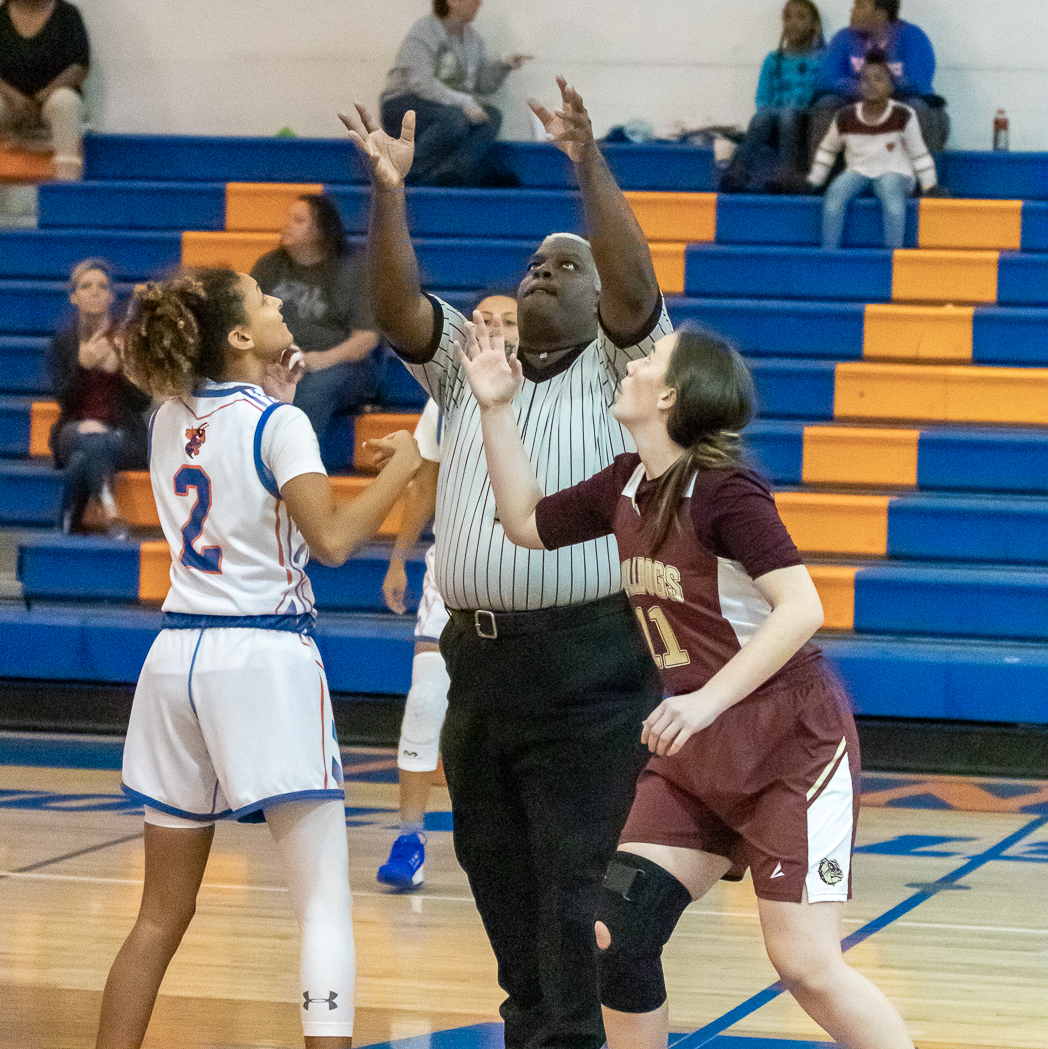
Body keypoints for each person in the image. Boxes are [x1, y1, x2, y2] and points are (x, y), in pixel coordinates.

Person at [461, 317, 916, 1049]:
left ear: (671, 396)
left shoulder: (727, 493)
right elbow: (523, 522)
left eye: (651, 361)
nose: (633, 367)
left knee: (805, 963)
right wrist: (494, 409)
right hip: (696, 754)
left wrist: (704, 698)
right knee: (615, 930)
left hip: (790, 745)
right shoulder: (626, 483)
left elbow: (802, 606)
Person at [340, 77, 665, 1049]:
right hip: (475, 663)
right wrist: (390, 191)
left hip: (590, 666)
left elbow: (634, 276)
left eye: (561, 267)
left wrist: (583, 159)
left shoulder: (621, 367)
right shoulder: (469, 367)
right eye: (530, 263)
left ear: (594, 295)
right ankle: (536, 1029)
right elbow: (396, 305)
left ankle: (565, 1037)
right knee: (494, 873)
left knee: (573, 890)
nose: (539, 272)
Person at [99, 264, 423, 1049]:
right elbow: (335, 542)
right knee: (321, 905)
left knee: (157, 915)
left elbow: (231, 463)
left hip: (175, 658)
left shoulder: (167, 414)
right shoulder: (280, 426)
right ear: (241, 336)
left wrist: (272, 405)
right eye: (262, 299)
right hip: (262, 657)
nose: (279, 302)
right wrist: (411, 462)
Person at [373, 291, 520, 891]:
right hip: (453, 571)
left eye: (509, 320)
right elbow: (425, 483)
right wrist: (400, 558)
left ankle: (515, 838)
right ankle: (410, 837)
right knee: (427, 701)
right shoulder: (448, 394)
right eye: (486, 319)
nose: (498, 328)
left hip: (527, 574)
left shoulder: (558, 394)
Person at [251, 194, 378, 464]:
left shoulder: (353, 270)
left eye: (298, 220)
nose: (286, 225)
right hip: (279, 361)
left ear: (321, 230)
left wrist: (319, 361)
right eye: (288, 218)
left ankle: (294, 471)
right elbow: (247, 322)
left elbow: (366, 338)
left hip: (338, 364)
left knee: (313, 390)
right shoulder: (268, 265)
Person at [379, 0, 530, 187]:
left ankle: (454, 172)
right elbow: (420, 83)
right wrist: (464, 102)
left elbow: (482, 85)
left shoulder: (472, 40)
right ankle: (407, 172)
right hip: (403, 104)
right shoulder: (424, 32)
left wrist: (503, 65)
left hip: (445, 108)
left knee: (491, 117)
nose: (479, 2)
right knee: (456, 121)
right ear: (452, 0)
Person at [48, 259, 150, 536]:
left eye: (102, 286)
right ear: (74, 296)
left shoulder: (128, 338)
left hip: (123, 435)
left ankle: (68, 522)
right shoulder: (64, 341)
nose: (94, 291)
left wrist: (121, 372)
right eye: (86, 286)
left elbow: (143, 402)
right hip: (73, 430)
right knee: (88, 437)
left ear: (111, 295)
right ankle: (109, 510)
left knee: (84, 456)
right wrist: (81, 366)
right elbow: (64, 402)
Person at [809, 0, 947, 156]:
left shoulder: (913, 37)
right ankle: (819, 180)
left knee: (921, 109)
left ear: (881, 13)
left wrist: (883, 89)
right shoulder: (844, 38)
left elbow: (919, 83)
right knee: (826, 104)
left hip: (898, 105)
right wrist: (865, 89)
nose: (852, 10)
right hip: (855, 105)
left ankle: (924, 183)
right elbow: (826, 80)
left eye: (859, 5)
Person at [809, 51, 938, 250]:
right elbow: (828, 150)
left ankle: (892, 255)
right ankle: (829, 253)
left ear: (890, 86)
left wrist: (929, 185)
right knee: (835, 192)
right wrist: (815, 180)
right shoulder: (845, 116)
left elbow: (918, 154)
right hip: (858, 171)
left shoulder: (903, 115)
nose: (870, 83)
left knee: (888, 187)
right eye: (865, 79)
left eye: (878, 79)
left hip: (896, 173)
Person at [0, 0, 90, 180]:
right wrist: (13, 97)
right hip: (9, 105)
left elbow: (79, 66)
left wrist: (40, 98)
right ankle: (10, 136)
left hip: (51, 103)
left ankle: (67, 184)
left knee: (65, 101)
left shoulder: (67, 15)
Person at [720, 0, 825, 192]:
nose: (793, 23)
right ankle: (738, 172)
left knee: (788, 113)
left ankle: (789, 172)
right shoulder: (773, 59)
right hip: (776, 118)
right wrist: (768, 111)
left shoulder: (821, 59)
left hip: (804, 119)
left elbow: (821, 95)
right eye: (788, 17)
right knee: (761, 117)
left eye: (801, 17)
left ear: (814, 25)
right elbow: (762, 97)